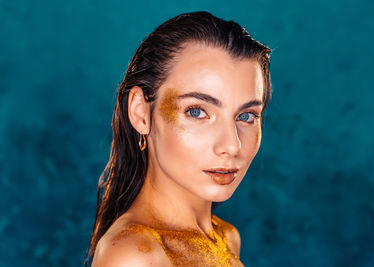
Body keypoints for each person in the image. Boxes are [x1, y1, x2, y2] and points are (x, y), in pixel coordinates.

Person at [85, 11, 272, 266]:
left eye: (247, 116)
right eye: (196, 112)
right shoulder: (134, 255)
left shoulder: (227, 238)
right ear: (141, 113)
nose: (231, 145)